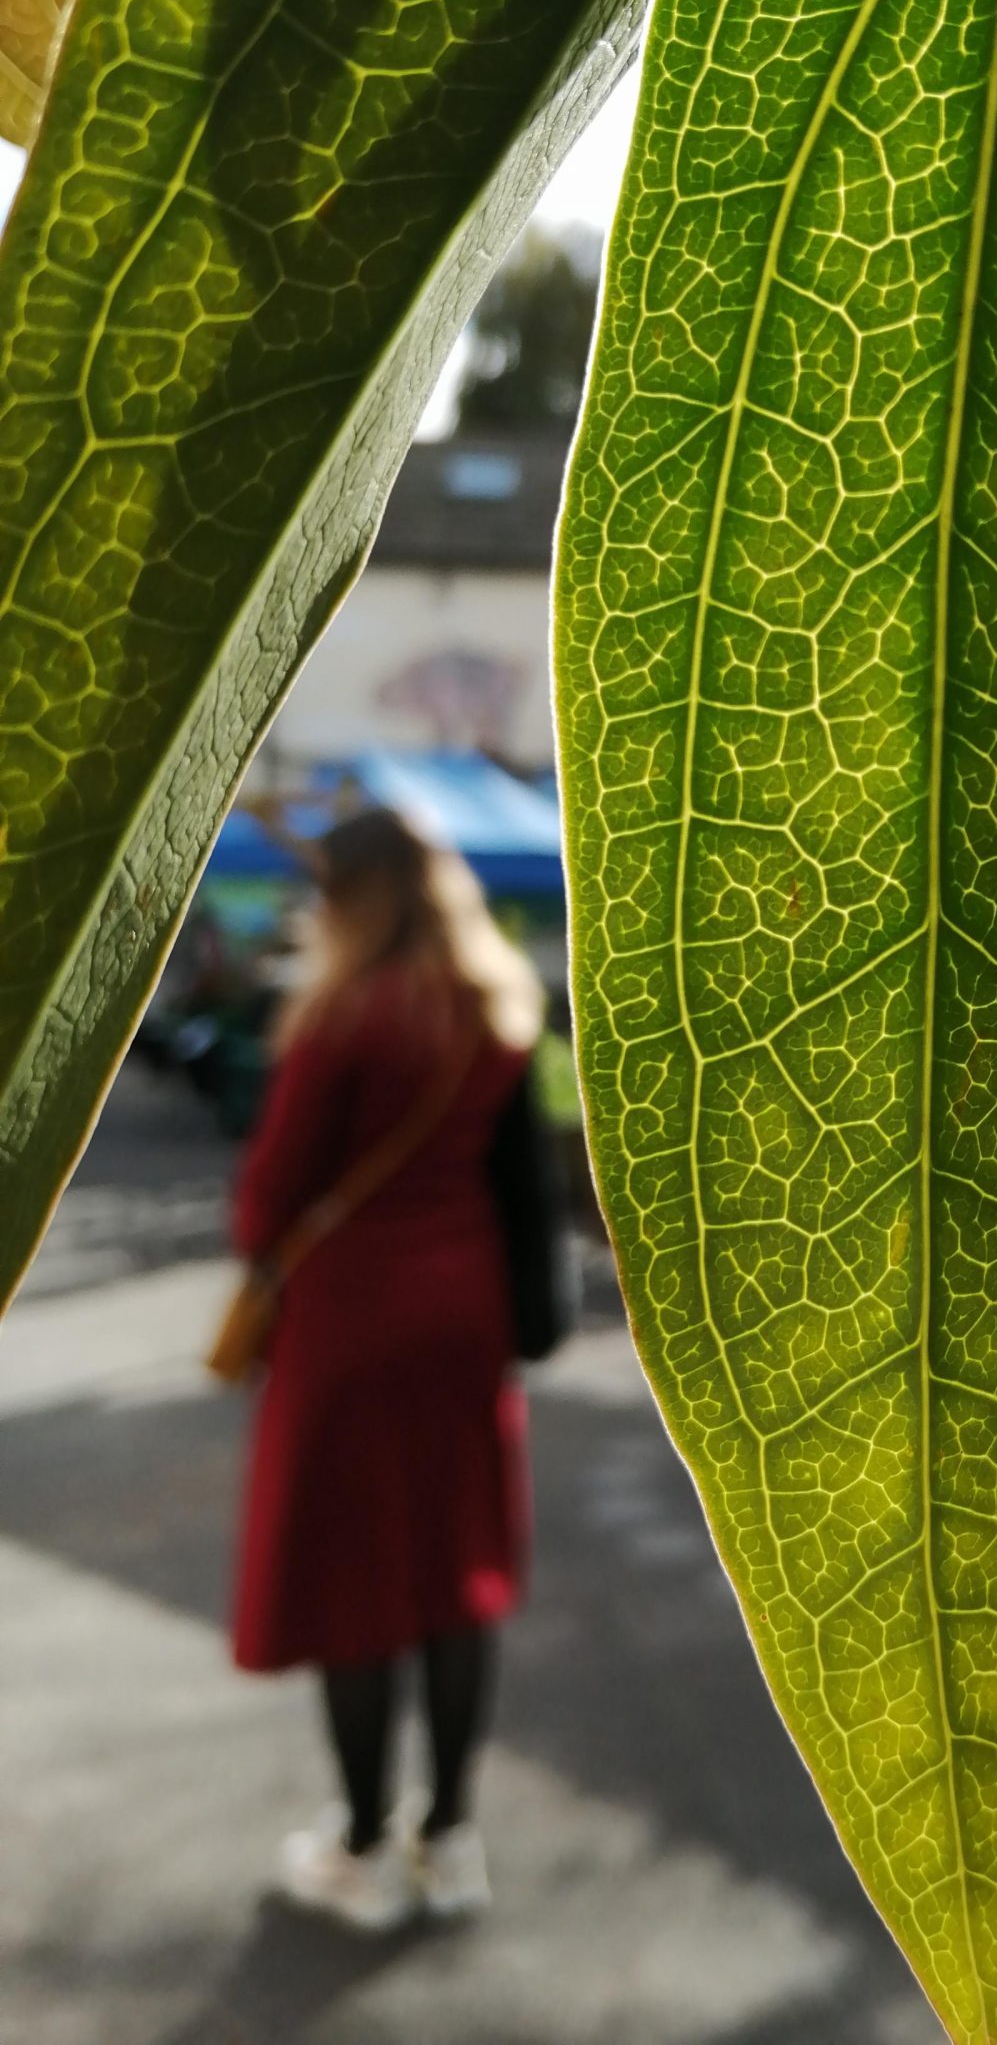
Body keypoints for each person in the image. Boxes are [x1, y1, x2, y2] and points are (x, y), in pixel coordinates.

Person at [229, 807, 544, 1930]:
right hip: (464, 1312)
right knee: (458, 1579)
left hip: (350, 1322)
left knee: (352, 1586)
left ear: (349, 897)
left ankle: (364, 1844)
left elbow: (268, 1199)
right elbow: (521, 1179)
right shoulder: (497, 1006)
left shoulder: (342, 1016)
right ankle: (449, 1837)